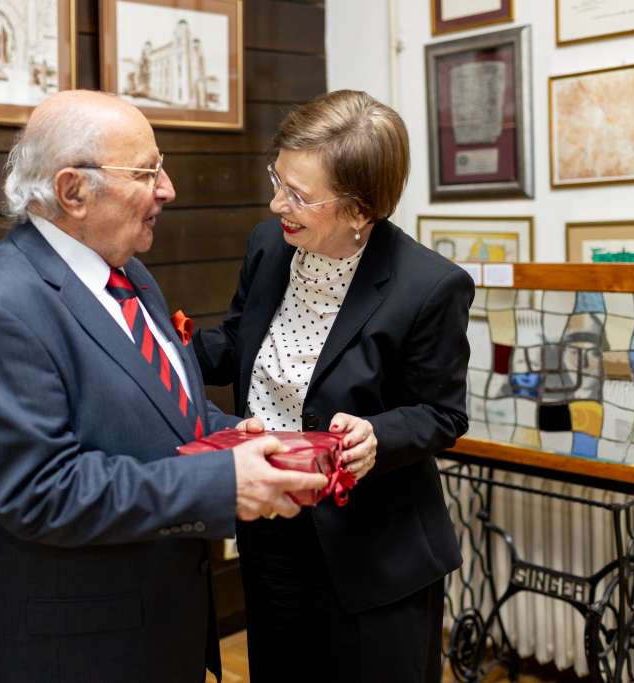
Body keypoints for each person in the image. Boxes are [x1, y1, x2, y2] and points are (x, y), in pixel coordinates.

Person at [0, 90, 327, 683]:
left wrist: (237, 439)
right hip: (76, 651)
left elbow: (167, 412)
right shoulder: (1, 309)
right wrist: (221, 481)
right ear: (73, 192)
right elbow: (40, 491)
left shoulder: (127, 270)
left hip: (157, 629)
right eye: (147, 172)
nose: (167, 188)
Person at [194, 89, 475, 682]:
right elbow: (241, 340)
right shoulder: (270, 245)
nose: (276, 204)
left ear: (358, 209)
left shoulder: (430, 287)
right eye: (279, 180)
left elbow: (442, 413)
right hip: (272, 528)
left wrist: (379, 433)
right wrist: (163, 351)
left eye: (298, 195)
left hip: (375, 554)